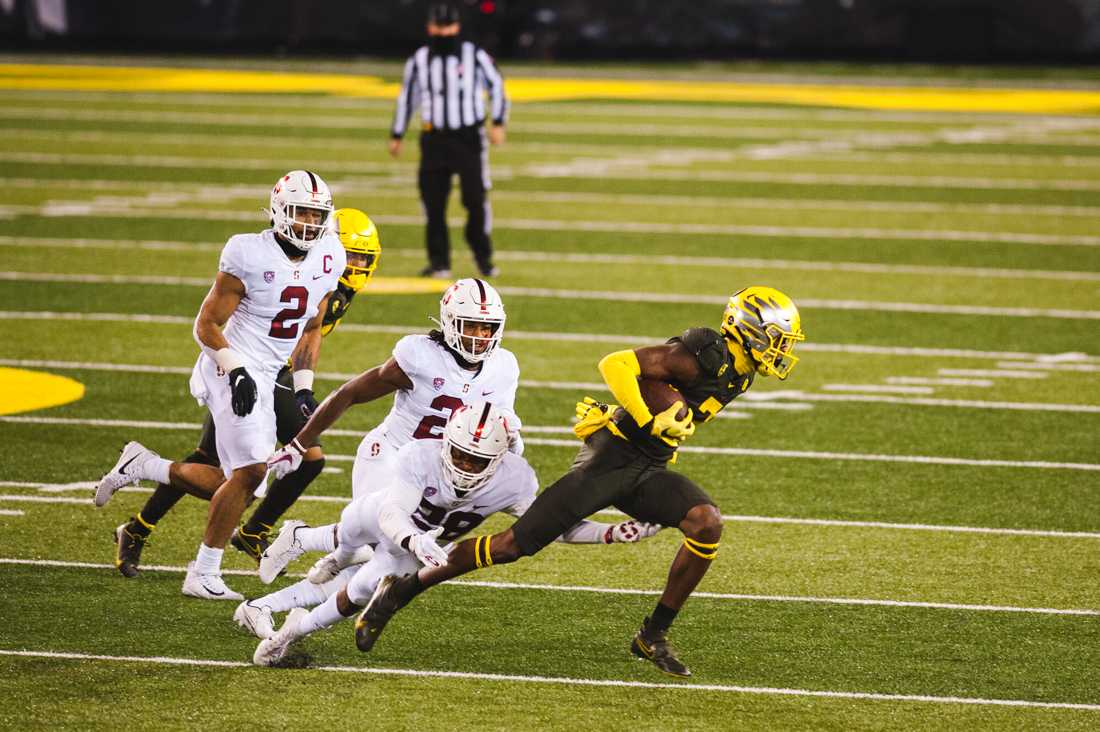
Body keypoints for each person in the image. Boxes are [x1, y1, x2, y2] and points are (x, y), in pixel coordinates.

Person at [354, 287, 805, 678]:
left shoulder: (741, 372)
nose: (781, 350)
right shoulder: (705, 354)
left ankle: (653, 634)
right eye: (777, 340)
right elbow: (616, 365)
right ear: (748, 328)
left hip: (648, 467)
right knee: (513, 546)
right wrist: (643, 418)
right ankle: (402, 589)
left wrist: (649, 421)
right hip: (612, 460)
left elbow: (659, 393)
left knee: (706, 524)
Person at [93, 170, 347, 601]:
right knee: (249, 474)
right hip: (228, 364)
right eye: (302, 211)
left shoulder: (330, 256)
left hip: (268, 374)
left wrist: (303, 387)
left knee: (246, 482)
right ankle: (204, 572)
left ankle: (144, 465)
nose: (309, 222)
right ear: (280, 211)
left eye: (317, 214)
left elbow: (313, 326)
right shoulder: (247, 252)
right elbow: (206, 324)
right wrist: (235, 369)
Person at [248, 403, 659, 664]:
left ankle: (290, 631)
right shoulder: (420, 455)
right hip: (394, 520)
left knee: (358, 594)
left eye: (477, 459)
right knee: (354, 529)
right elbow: (392, 511)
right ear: (447, 443)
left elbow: (553, 527)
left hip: (416, 545)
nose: (465, 464)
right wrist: (413, 538)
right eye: (460, 453)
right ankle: (318, 547)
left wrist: (607, 534)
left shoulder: (514, 479)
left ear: (499, 458)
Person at [231, 278, 522, 630]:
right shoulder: (420, 356)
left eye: (487, 327)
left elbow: (498, 421)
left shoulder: (504, 366)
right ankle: (302, 541)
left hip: (435, 473)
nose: (479, 336)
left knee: (381, 570)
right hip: (390, 455)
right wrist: (298, 443)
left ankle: (262, 605)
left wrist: (510, 441)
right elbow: (349, 393)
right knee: (389, 548)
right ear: (448, 323)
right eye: (470, 325)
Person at [389, 1, 509, 279]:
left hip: (468, 138)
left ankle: (484, 258)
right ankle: (439, 262)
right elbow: (408, 98)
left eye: (448, 26)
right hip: (433, 139)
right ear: (430, 27)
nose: (443, 32)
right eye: (439, 26)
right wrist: (397, 133)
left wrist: (498, 121)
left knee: (475, 199)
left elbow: (498, 87)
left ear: (457, 27)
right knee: (433, 203)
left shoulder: (473, 55)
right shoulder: (419, 59)